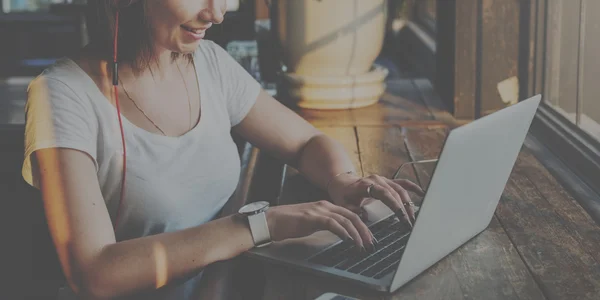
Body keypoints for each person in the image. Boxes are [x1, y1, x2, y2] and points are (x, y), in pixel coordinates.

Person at [22, 0, 423, 299]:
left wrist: (343, 180)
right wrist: (259, 226)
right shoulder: (61, 95)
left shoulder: (210, 63)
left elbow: (307, 142)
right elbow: (94, 273)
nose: (216, 13)